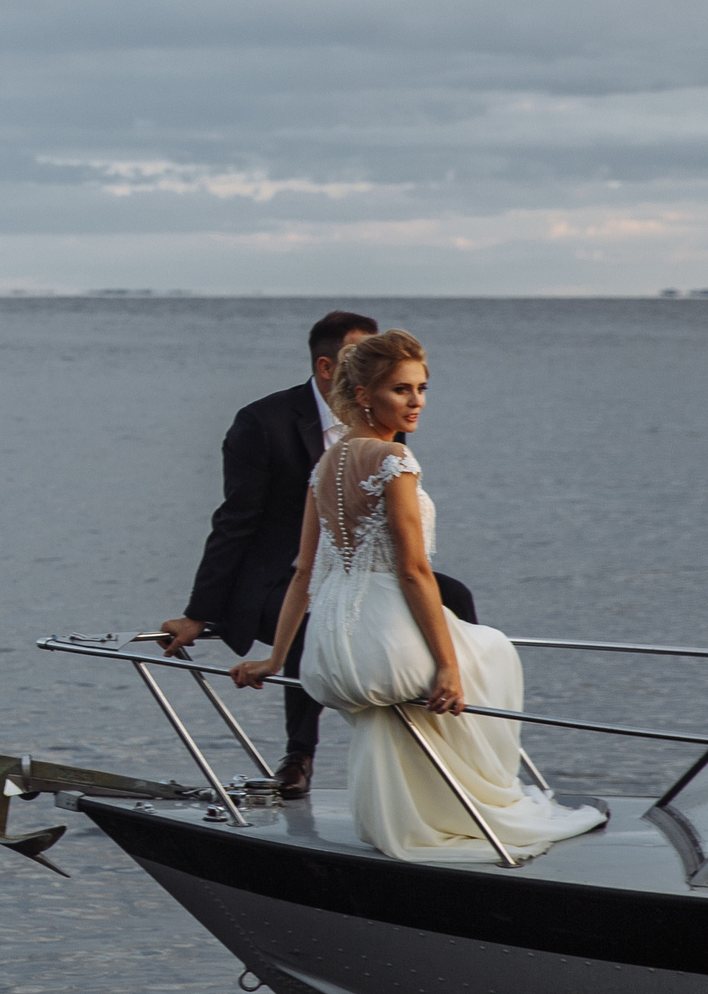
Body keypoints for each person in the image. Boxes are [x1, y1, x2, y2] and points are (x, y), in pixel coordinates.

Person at [230, 330, 602, 862]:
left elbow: (303, 573)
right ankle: (471, 806)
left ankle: (420, 811)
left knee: (468, 660)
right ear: (362, 393)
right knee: (493, 652)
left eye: (422, 388)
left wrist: (276, 657)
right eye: (401, 390)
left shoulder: (324, 466)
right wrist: (447, 667)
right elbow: (413, 572)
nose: (417, 402)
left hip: (333, 642)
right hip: (384, 633)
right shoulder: (394, 461)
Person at [159, 311, 476, 799]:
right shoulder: (262, 423)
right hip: (273, 578)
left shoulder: (384, 427)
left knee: (454, 596)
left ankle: (443, 725)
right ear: (330, 368)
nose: (411, 397)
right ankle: (299, 753)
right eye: (363, 359)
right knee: (319, 617)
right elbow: (234, 521)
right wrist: (199, 613)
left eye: (417, 386)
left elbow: (387, 529)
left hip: (350, 569)